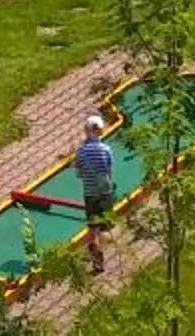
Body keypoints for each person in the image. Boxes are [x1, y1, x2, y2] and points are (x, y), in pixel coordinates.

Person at [74, 113, 118, 274]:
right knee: (106, 225)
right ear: (100, 130)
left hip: (90, 193)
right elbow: (109, 170)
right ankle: (113, 250)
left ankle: (97, 258)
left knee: (92, 229)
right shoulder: (106, 149)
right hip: (105, 192)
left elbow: (78, 174)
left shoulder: (81, 152)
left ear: (86, 130)